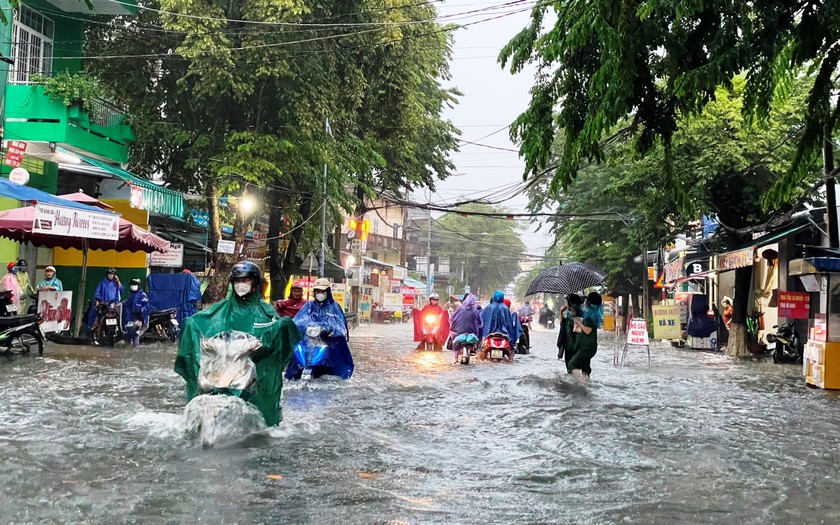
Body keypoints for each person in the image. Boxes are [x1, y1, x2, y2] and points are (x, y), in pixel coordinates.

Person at [175, 261, 300, 427]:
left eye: (246, 280)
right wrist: (190, 325)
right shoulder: (220, 310)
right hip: (223, 367)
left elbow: (277, 335)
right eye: (237, 281)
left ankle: (263, 420)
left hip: (251, 370)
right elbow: (201, 321)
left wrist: (278, 331)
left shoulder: (266, 313)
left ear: (254, 284)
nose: (241, 285)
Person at [288, 278, 354, 379]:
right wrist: (309, 327)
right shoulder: (309, 305)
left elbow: (340, 326)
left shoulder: (335, 307)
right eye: (317, 291)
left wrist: (328, 330)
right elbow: (298, 321)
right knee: (296, 353)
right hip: (308, 341)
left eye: (322, 291)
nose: (320, 294)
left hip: (328, 342)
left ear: (327, 291)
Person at [566, 292, 603, 377]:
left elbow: (587, 330)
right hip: (589, 345)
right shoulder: (593, 313)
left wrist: (579, 322)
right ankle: (586, 385)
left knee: (571, 364)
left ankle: (580, 385)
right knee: (585, 367)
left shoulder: (591, 315)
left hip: (586, 346)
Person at [449, 293, 483, 363]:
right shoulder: (475, 311)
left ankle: (455, 359)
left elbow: (452, 319)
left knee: (455, 344)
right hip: (471, 332)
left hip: (459, 332)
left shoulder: (460, 309)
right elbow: (480, 322)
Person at [123, 278, 150, 347]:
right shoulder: (130, 295)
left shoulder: (143, 295)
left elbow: (146, 308)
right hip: (131, 319)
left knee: (136, 334)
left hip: (141, 319)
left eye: (135, 284)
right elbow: (127, 306)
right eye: (132, 285)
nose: (133, 286)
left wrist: (141, 319)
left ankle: (135, 348)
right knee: (127, 334)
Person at [558, 294, 583, 361]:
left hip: (570, 344)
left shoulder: (570, 313)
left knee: (571, 364)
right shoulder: (583, 312)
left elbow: (562, 324)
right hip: (580, 346)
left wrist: (561, 312)